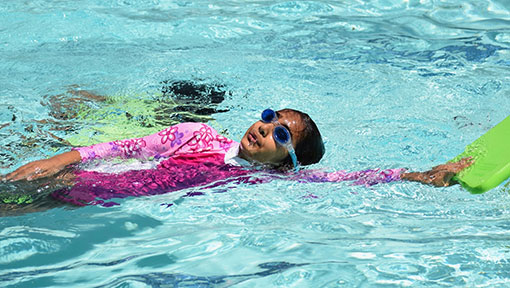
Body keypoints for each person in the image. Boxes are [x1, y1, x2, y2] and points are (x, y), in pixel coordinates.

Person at [2, 108, 473, 207]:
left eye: (280, 133)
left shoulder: (268, 182)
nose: (264, 128)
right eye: (268, 117)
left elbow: (350, 179)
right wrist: (47, 166)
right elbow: (104, 151)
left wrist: (419, 175)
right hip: (78, 182)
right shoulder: (196, 135)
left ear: (285, 160)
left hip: (92, 199)